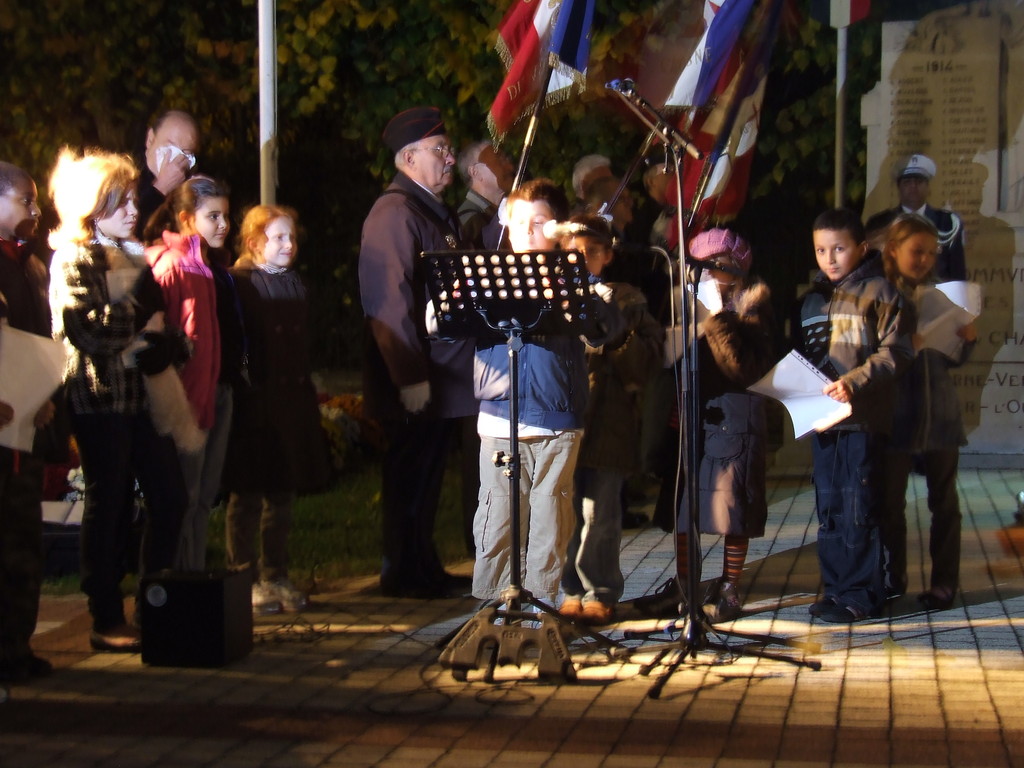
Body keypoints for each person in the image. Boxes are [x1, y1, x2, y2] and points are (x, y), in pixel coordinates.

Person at [49, 148, 187, 651]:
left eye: (133, 199)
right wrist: (139, 324)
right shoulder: (75, 256)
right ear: (93, 205)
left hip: (144, 397)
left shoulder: (133, 255)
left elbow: (161, 326)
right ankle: (105, 615)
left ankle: (156, 603)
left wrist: (169, 342)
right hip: (100, 399)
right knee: (109, 505)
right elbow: (86, 331)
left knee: (169, 496)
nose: (134, 209)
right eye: (121, 200)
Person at [472, 178, 622, 606]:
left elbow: (607, 329)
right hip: (500, 418)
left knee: (550, 523)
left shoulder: (572, 278)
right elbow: (438, 321)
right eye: (518, 223)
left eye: (538, 223)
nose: (526, 232)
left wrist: (577, 286)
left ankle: (540, 610)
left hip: (556, 423)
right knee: (497, 517)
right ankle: (492, 609)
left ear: (556, 229)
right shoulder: (489, 276)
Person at [358, 106, 477, 599]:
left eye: (448, 149)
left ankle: (421, 564)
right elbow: (389, 303)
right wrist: (409, 379)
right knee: (409, 477)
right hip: (416, 379)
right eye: (439, 150)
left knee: (427, 479)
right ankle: (403, 571)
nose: (450, 159)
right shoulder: (395, 214)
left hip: (440, 378)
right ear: (408, 158)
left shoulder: (427, 211)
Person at [792, 208, 914, 623]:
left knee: (859, 504)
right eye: (821, 250)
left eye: (839, 248)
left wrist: (856, 381)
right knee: (829, 508)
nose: (829, 258)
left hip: (863, 422)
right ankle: (837, 588)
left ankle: (863, 593)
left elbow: (896, 352)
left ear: (861, 248)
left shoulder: (882, 293)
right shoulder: (811, 301)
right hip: (824, 424)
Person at [222, 205, 330, 615]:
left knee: (282, 492)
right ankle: (243, 577)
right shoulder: (240, 283)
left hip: (291, 403)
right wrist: (248, 384)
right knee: (247, 493)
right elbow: (240, 344)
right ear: (254, 243)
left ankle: (275, 573)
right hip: (256, 403)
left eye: (291, 237)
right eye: (279, 238)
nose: (289, 245)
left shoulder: (294, 284)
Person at [557, 214, 662, 625]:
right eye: (574, 252)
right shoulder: (551, 294)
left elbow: (646, 364)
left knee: (600, 514)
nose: (582, 259)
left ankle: (599, 588)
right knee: (564, 511)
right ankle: (569, 589)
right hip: (564, 418)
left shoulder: (626, 299)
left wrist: (618, 335)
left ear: (608, 256)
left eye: (592, 252)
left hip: (610, 420)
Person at [879, 213, 976, 611]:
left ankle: (944, 584)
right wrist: (906, 344)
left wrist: (965, 340)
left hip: (939, 414)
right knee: (889, 504)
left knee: (945, 504)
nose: (925, 260)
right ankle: (891, 580)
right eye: (917, 251)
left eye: (931, 253)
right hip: (896, 414)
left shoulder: (942, 295)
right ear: (894, 250)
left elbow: (952, 359)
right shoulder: (881, 292)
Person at [680, 229, 775, 623]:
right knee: (686, 509)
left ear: (737, 270)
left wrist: (717, 318)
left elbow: (742, 368)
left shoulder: (751, 307)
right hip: (695, 414)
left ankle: (730, 585)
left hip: (736, 416)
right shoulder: (686, 304)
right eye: (704, 268)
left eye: (720, 267)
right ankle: (686, 587)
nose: (712, 276)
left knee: (732, 505)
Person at [144, 176, 231, 572]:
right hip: (183, 407)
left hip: (206, 398)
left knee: (200, 500)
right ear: (185, 218)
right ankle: (174, 592)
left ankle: (193, 588)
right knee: (182, 500)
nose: (223, 225)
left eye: (225, 216)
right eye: (213, 216)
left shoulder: (205, 267)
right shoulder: (173, 267)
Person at [0, 161, 61, 681]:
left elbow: (39, 339)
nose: (35, 212)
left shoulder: (33, 267)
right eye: (25, 201)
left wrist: (44, 392)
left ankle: (15, 646)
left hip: (25, 423)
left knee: (23, 538)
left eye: (36, 202)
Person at [884, 154, 966, 282]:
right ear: (898, 188)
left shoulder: (947, 222)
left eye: (919, 181)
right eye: (907, 182)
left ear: (928, 187)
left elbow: (957, 271)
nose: (913, 186)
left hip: (938, 294)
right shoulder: (884, 222)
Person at [135, 110, 200, 239]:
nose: (176, 158)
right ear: (150, 139)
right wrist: (161, 188)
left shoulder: (191, 188)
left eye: (186, 152)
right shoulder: (125, 178)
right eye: (170, 147)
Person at [457, 140, 514, 249]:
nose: (510, 167)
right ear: (475, 172)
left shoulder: (506, 210)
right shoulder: (469, 221)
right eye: (499, 161)